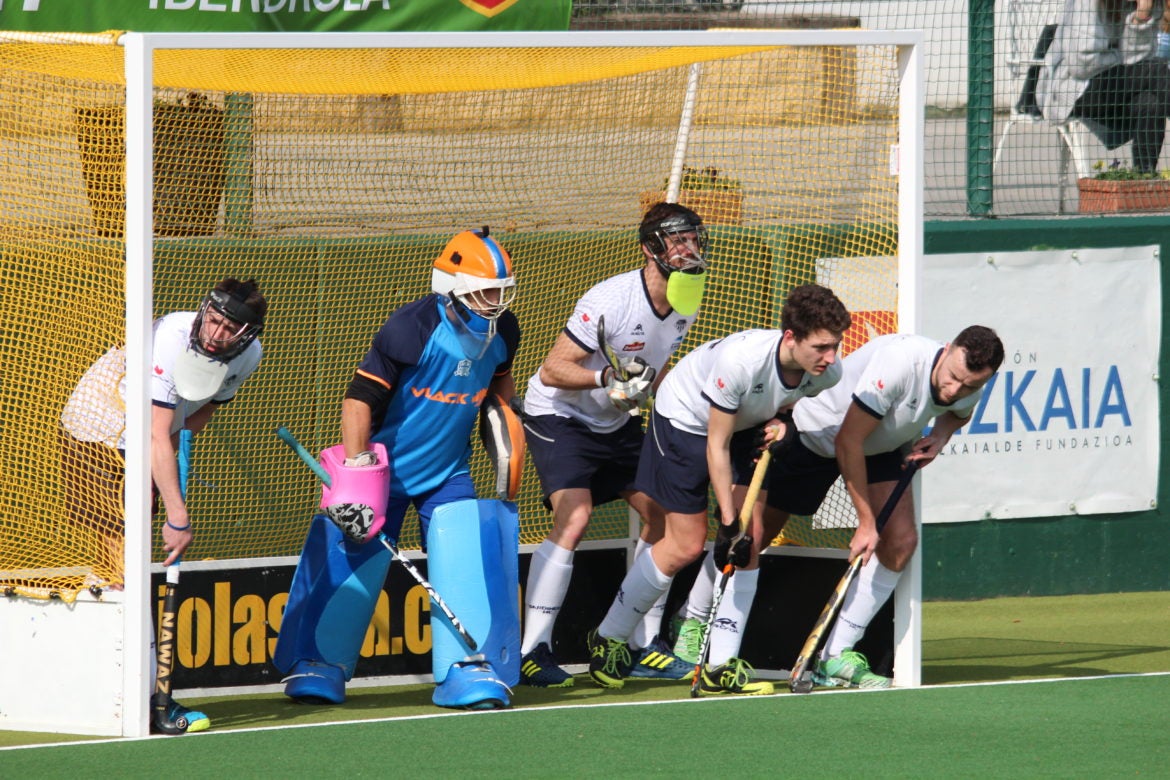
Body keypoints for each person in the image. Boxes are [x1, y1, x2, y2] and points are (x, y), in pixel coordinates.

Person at [273, 227, 522, 710]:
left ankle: (465, 669)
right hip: (383, 474)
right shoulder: (411, 329)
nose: (494, 302)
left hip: (448, 472)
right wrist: (356, 473)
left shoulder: (504, 330)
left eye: (500, 292)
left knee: (462, 560)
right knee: (354, 559)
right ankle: (320, 661)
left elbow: (498, 391)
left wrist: (506, 438)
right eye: (484, 292)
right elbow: (358, 401)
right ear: (452, 288)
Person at [680, 325, 1005, 690]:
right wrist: (866, 524)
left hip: (880, 447)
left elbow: (957, 412)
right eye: (952, 379)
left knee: (900, 543)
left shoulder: (968, 384)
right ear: (946, 350)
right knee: (750, 537)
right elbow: (847, 441)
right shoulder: (900, 362)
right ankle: (692, 620)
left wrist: (940, 436)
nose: (954, 390)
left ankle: (835, 656)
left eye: (969, 386)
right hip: (812, 436)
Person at [585, 284, 853, 695]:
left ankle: (719, 666)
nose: (831, 357)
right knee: (686, 545)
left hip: (744, 425)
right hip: (685, 421)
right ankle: (609, 636)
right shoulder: (742, 363)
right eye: (821, 347)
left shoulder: (826, 372)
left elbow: (788, 402)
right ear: (791, 338)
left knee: (752, 538)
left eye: (834, 346)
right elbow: (716, 444)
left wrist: (786, 423)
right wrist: (727, 520)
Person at [61, 277, 268, 734]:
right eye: (212, 320)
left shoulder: (249, 356)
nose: (215, 333)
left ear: (246, 334)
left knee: (125, 567)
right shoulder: (171, 337)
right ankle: (141, 701)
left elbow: (201, 412)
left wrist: (170, 448)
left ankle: (126, 695)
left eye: (228, 327)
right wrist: (178, 515)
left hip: (147, 436)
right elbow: (155, 434)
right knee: (122, 566)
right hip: (97, 426)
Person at [517, 202, 708, 688]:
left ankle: (642, 644)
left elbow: (662, 366)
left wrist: (644, 396)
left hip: (615, 420)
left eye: (694, 238)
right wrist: (606, 377)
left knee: (662, 514)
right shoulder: (611, 299)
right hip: (560, 413)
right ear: (651, 250)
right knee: (576, 516)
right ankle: (532, 649)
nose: (689, 249)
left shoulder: (689, 299)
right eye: (678, 240)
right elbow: (551, 371)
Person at [1038, 0, 1170, 174]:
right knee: (1157, 70)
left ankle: (1143, 182)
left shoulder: (1139, 5)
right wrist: (1122, 58)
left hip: (1115, 87)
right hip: (1075, 90)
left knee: (1150, 103)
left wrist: (1141, 16)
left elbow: (1141, 56)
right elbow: (1081, 65)